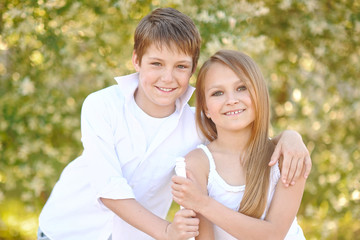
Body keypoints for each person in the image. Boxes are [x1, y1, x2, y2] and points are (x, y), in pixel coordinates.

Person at [38, 8, 310, 240]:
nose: (167, 78)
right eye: (156, 63)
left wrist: (289, 136)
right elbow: (107, 187)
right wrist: (168, 231)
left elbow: (240, 125)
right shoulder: (102, 105)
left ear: (192, 70)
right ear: (136, 60)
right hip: (67, 228)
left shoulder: (196, 123)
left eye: (180, 66)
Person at [172, 50, 307, 239]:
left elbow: (273, 235)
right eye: (218, 93)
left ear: (258, 93)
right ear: (206, 109)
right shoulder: (196, 164)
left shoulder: (289, 156)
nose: (231, 100)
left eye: (241, 88)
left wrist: (203, 203)